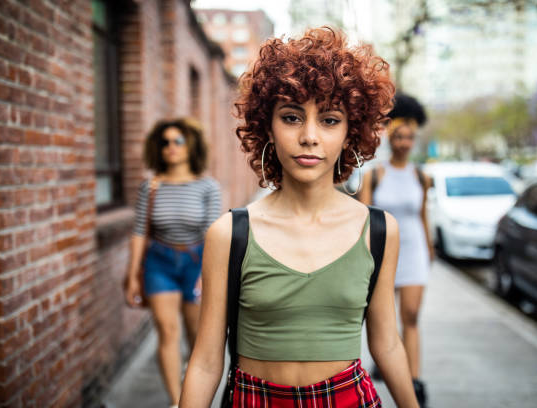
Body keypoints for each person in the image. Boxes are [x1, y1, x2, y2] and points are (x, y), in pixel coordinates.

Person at [180, 27, 420, 408]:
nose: (309, 136)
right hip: (254, 399)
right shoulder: (229, 233)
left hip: (348, 399)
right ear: (268, 129)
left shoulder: (378, 230)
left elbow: (387, 343)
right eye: (292, 117)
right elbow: (207, 361)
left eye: (329, 120)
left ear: (350, 132)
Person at [124, 117, 222, 408]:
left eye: (178, 140)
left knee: (196, 335)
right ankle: (177, 402)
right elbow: (140, 232)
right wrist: (131, 276)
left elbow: (214, 232)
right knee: (167, 332)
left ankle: (196, 394)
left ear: (191, 145)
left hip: (196, 262)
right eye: (165, 142)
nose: (171, 147)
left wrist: (209, 272)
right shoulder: (151, 186)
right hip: (159, 262)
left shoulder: (207, 186)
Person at [359, 93, 433, 407]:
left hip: (414, 250)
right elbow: (363, 217)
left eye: (409, 138)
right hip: (384, 252)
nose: (404, 142)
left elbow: (424, 214)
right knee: (383, 321)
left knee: (412, 316)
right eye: (399, 136)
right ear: (391, 138)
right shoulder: (374, 175)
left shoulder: (421, 176)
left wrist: (430, 249)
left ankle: (413, 383)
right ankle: (390, 371)